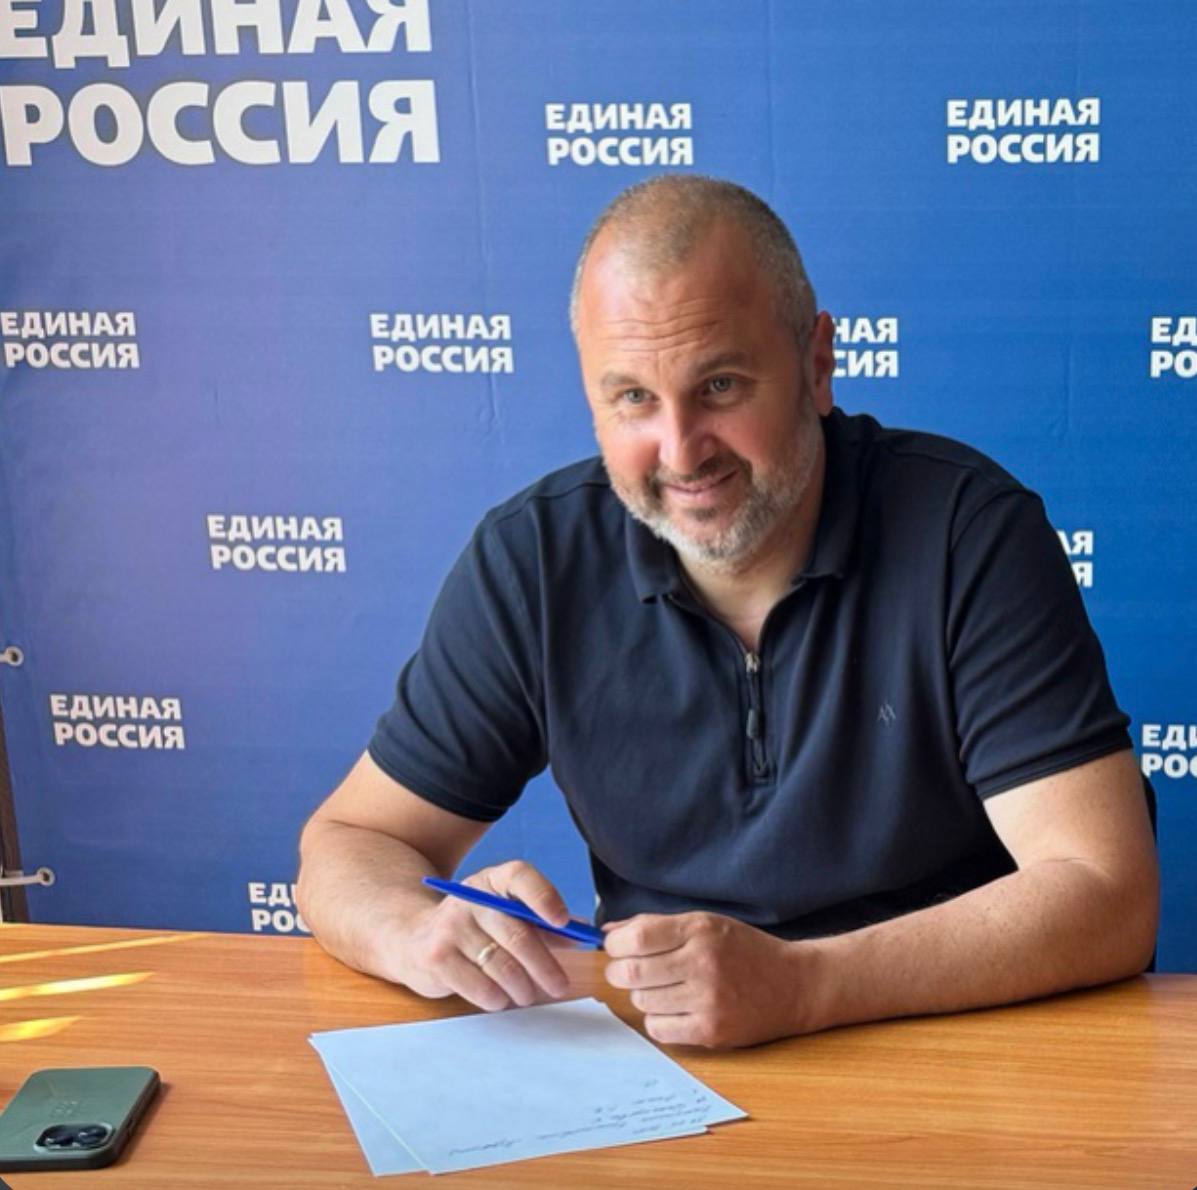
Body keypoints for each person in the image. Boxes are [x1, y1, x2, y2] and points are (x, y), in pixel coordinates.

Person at [296, 175, 1158, 1050]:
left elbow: (1107, 890)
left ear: (815, 364)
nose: (680, 452)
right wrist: (416, 931)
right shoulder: (534, 560)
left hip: (954, 1045)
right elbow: (352, 841)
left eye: (718, 385)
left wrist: (805, 986)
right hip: (667, 1064)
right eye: (633, 397)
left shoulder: (963, 532)